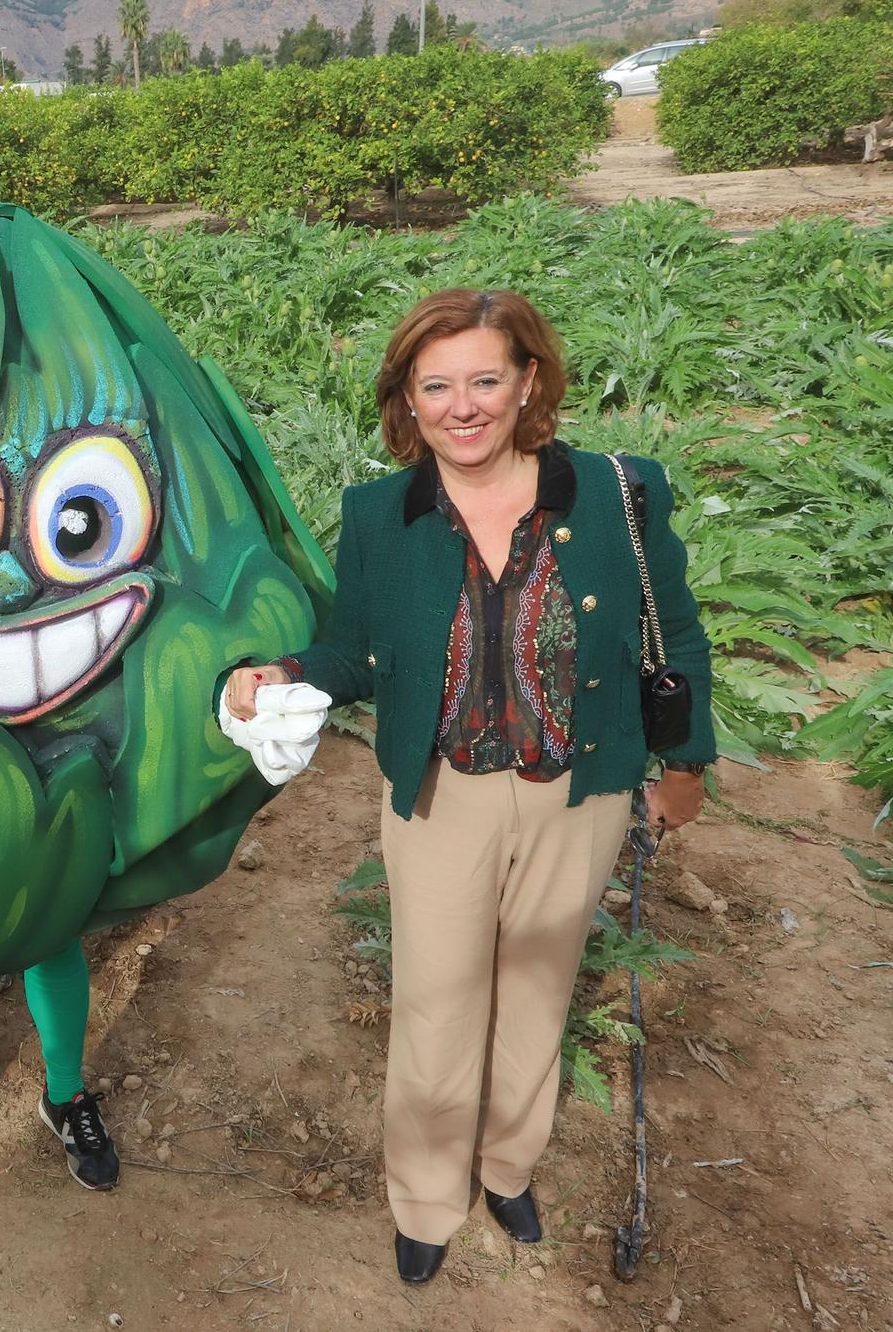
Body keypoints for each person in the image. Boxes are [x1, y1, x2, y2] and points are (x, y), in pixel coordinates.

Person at [223, 288, 716, 1285]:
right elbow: (352, 650)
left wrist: (685, 765)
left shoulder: (614, 495)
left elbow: (680, 630)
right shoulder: (380, 514)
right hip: (440, 794)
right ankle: (423, 1195)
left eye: (483, 379)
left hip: (577, 791)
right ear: (406, 399)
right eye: (434, 385)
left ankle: (505, 1165)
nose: (461, 405)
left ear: (526, 380)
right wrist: (281, 673)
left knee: (538, 992)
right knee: (436, 1004)